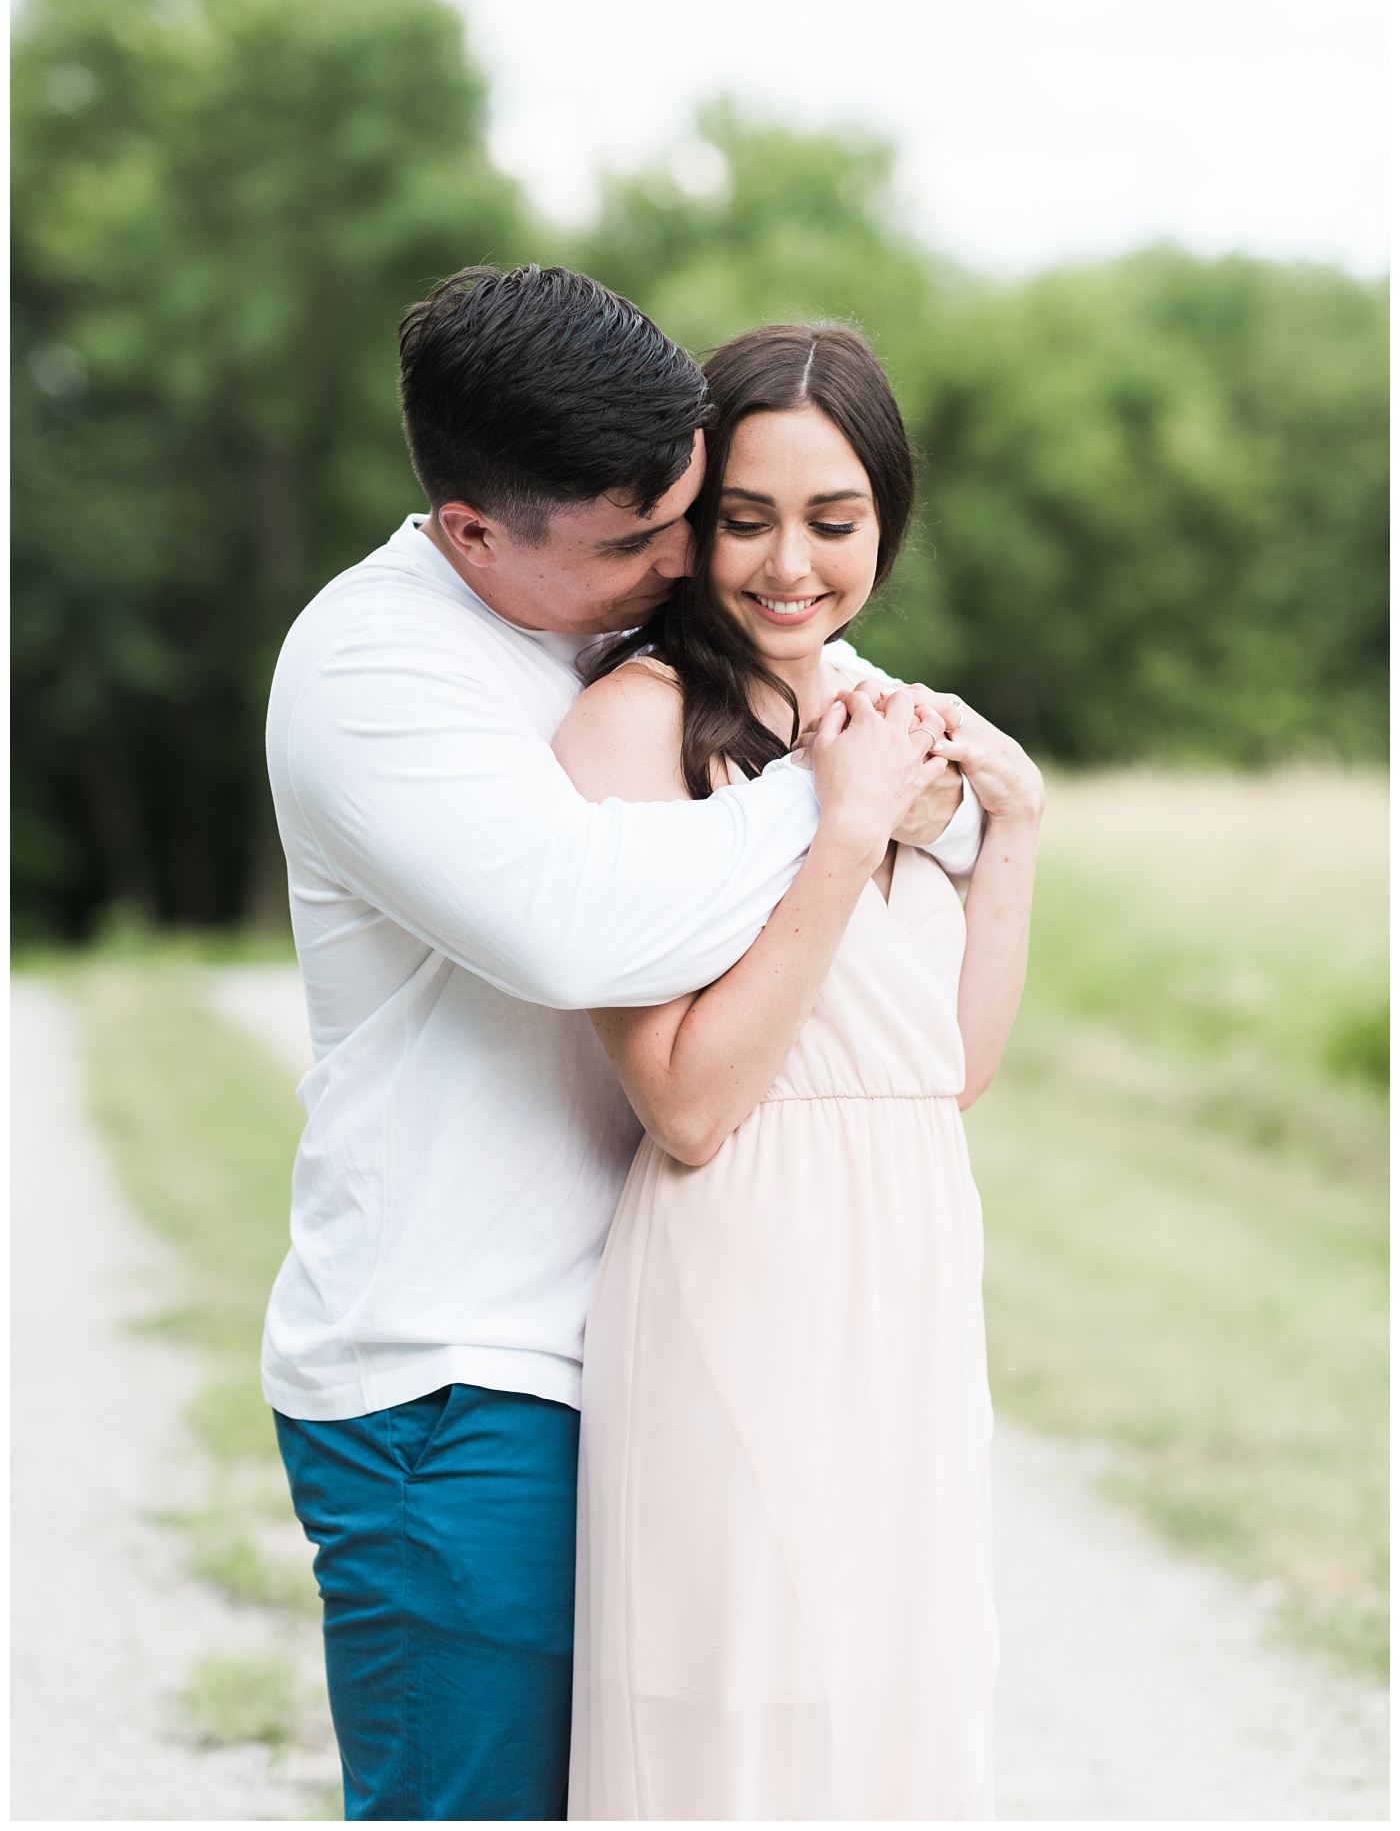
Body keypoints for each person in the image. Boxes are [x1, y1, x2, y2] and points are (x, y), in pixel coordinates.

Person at [263, 265, 985, 1821]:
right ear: (473, 533)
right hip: (455, 1375)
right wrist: (842, 797)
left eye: (685, 515)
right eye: (637, 538)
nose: (680, 565)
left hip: (634, 1350)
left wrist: (949, 789)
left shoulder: (603, 639)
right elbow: (579, 922)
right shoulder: (374, 674)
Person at [555, 322, 1044, 1820]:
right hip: (739, 1267)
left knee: (896, 1705)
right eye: (747, 518)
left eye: (834, 522)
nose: (789, 565)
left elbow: (941, 1075)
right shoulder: (631, 727)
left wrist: (1012, 833)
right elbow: (690, 1106)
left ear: (886, 519)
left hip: (905, 1263)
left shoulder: (882, 719)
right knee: (742, 1702)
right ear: (690, 522)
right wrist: (842, 829)